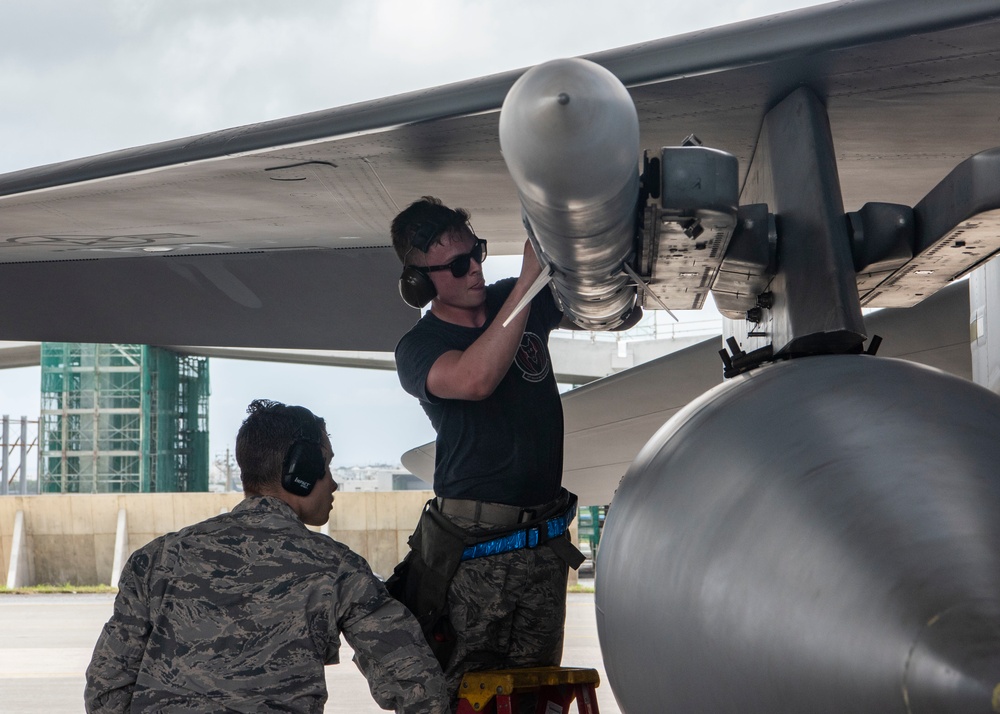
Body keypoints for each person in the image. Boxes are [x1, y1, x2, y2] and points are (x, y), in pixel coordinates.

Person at [390, 197, 633, 705]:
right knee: (465, 698)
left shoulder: (514, 302)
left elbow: (601, 303)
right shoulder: (418, 346)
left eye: (476, 252)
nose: (475, 268)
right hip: (475, 553)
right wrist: (525, 285)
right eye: (458, 265)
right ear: (420, 281)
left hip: (542, 543)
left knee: (538, 699)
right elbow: (474, 379)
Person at [85, 399, 449, 714]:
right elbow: (417, 684)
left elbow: (107, 689)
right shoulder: (335, 568)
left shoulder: (155, 559)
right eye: (327, 465)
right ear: (303, 469)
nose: (334, 483)